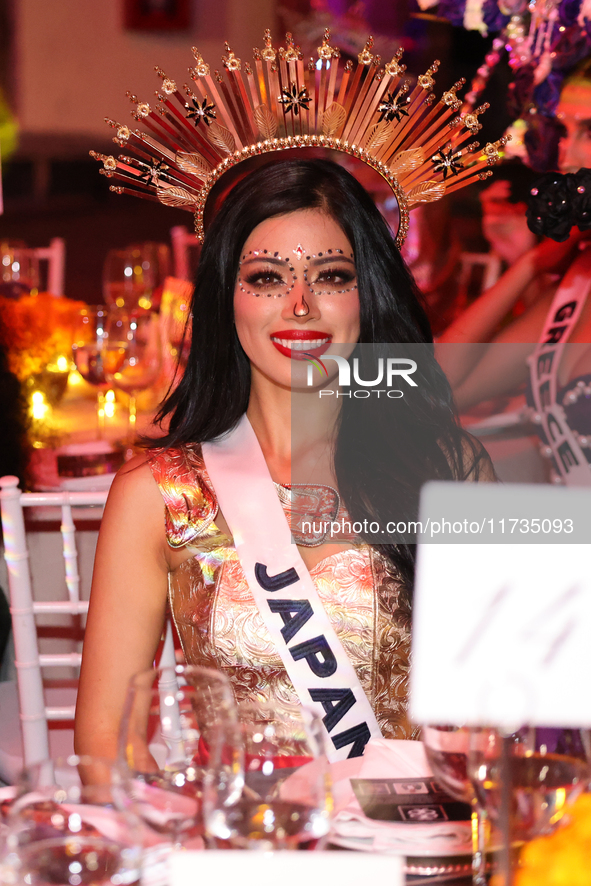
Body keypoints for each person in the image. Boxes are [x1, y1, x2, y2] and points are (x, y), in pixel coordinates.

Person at [74, 158, 493, 762]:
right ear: (227, 298)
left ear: (366, 296)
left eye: (331, 277)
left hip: (413, 840)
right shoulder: (157, 493)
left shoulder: (445, 469)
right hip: (239, 846)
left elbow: (507, 717)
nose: (300, 306)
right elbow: (107, 755)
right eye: (268, 277)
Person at [437, 60, 591, 486]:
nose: (568, 154)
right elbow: (442, 386)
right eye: (564, 132)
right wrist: (530, 264)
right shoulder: (578, 281)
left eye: (589, 132)